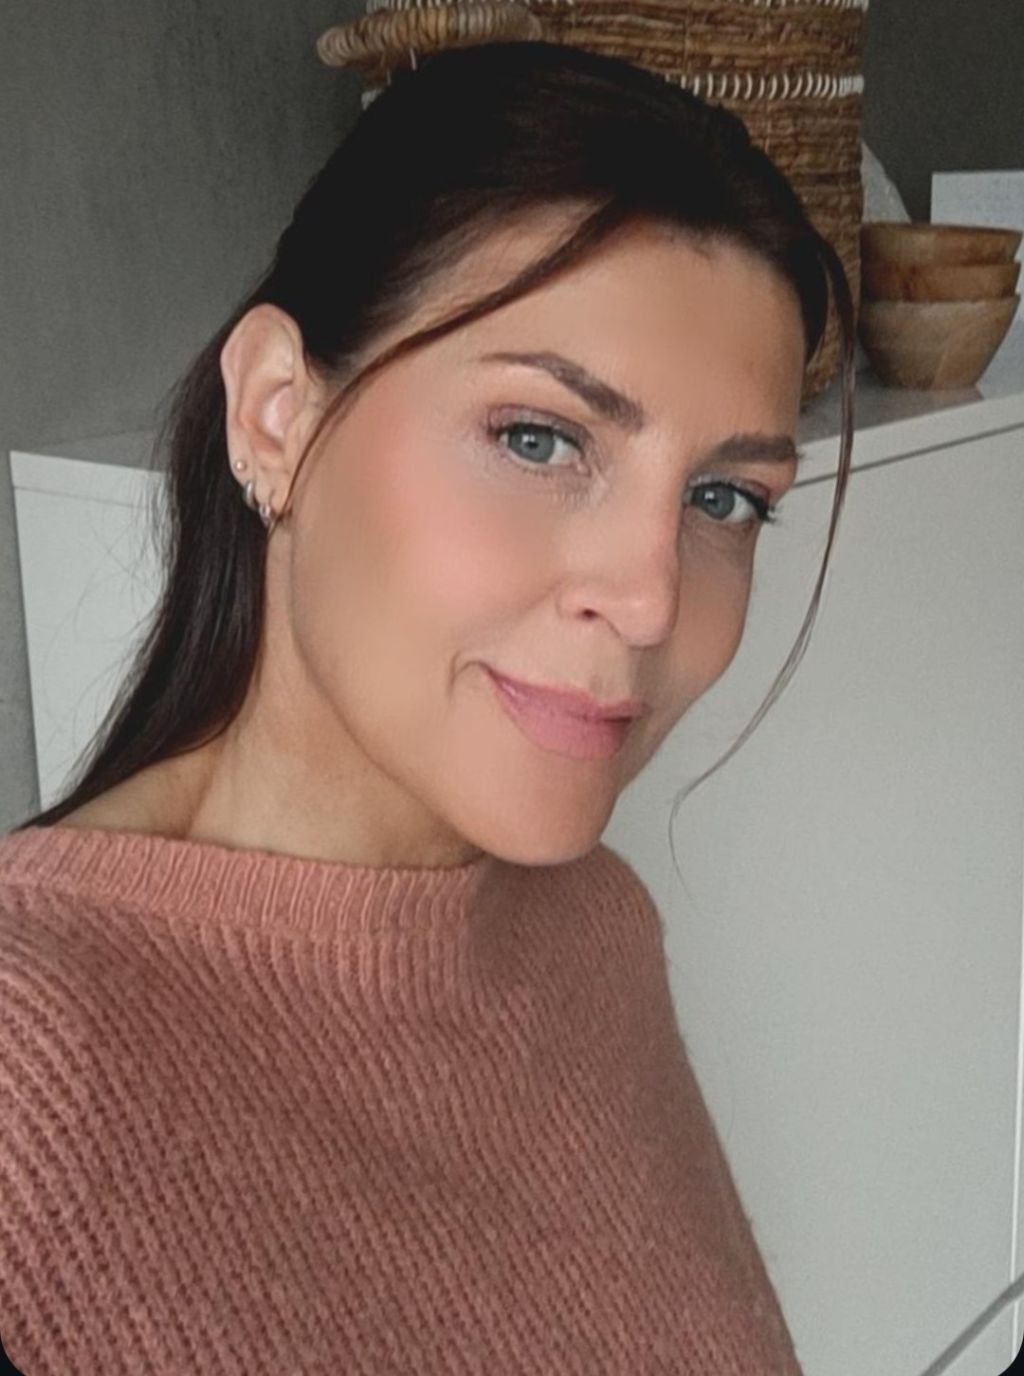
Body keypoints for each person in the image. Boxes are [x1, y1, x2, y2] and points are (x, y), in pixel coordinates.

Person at [0, 38, 854, 1376]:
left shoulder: (595, 927)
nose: (649, 600)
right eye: (538, 437)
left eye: (723, 499)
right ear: (276, 416)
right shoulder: (30, 1094)